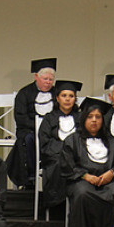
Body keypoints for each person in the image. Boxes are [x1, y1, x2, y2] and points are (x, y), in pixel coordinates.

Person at [60, 97, 114, 227]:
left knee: (113, 194)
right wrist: (85, 175)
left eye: (98, 117)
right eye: (90, 117)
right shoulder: (72, 140)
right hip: (80, 181)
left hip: (107, 182)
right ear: (83, 119)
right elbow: (66, 165)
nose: (94, 121)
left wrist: (111, 173)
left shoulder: (112, 142)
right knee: (83, 194)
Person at [9, 58, 55, 187]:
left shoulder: (57, 93)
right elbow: (21, 118)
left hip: (52, 132)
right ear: (36, 77)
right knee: (28, 140)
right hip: (30, 131)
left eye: (50, 80)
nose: (48, 82)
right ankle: (30, 175)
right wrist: (39, 127)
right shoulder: (24, 93)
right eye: (45, 79)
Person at [38, 79, 81, 209]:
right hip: (54, 157)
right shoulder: (49, 118)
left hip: (77, 157)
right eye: (64, 96)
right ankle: (57, 203)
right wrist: (64, 150)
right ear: (57, 98)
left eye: (71, 96)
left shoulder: (81, 118)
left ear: (75, 99)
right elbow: (44, 142)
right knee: (59, 163)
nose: (67, 99)